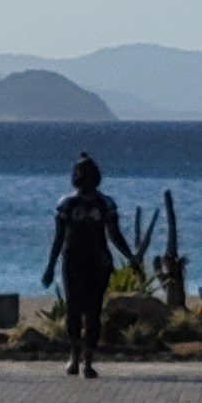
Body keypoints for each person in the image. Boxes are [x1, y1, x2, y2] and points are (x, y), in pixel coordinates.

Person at [42, 152, 141, 378]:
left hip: (87, 261)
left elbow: (114, 235)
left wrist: (130, 256)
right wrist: (130, 257)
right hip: (84, 261)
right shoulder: (72, 204)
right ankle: (81, 358)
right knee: (83, 310)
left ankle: (81, 359)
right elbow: (114, 236)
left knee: (84, 310)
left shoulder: (98, 204)